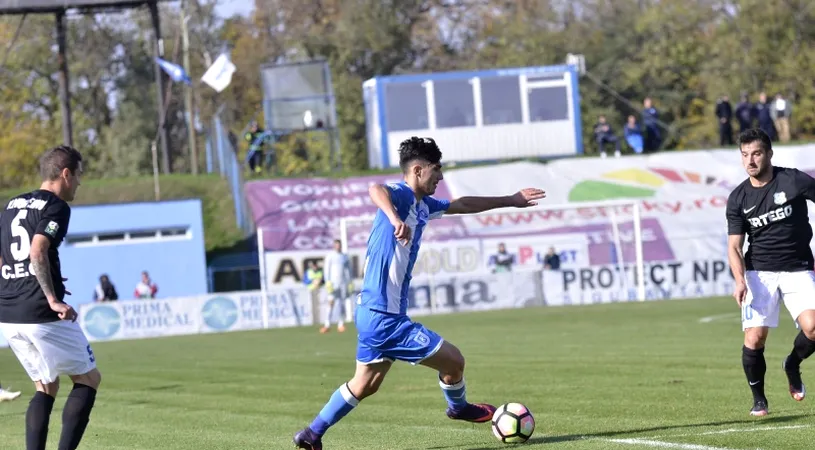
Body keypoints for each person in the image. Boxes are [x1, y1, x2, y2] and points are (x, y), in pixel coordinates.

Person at [293, 136, 546, 449]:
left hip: (374, 313)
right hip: (385, 317)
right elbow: (376, 190)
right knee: (453, 362)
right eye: (436, 170)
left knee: (365, 384)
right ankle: (459, 408)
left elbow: (464, 204)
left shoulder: (424, 205)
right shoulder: (399, 196)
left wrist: (511, 199)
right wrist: (394, 217)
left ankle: (312, 434)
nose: (440, 177)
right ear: (417, 170)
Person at [0, 145, 102, 450]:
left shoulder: (10, 205)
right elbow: (37, 250)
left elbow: (6, 259)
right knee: (87, 379)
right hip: (41, 313)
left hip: (8, 313)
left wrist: (29, 283)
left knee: (45, 385)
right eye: (79, 175)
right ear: (66, 174)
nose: (80, 183)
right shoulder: (56, 206)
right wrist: (52, 297)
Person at [725, 128, 815, 417]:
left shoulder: (793, 180)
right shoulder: (738, 198)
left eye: (756, 153)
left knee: (814, 327)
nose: (750, 160)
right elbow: (735, 247)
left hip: (798, 267)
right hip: (758, 273)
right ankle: (759, 399)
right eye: (745, 155)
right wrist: (739, 281)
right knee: (754, 339)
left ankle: (792, 363)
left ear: (769, 154)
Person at [321, 239, 353, 333]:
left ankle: (341, 324)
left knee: (340, 303)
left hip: (342, 283)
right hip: (332, 284)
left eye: (339, 245)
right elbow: (327, 269)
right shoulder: (330, 256)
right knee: (331, 302)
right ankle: (327, 324)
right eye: (336, 245)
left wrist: (350, 282)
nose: (338, 247)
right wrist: (327, 281)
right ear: (334, 246)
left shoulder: (344, 257)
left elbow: (348, 271)